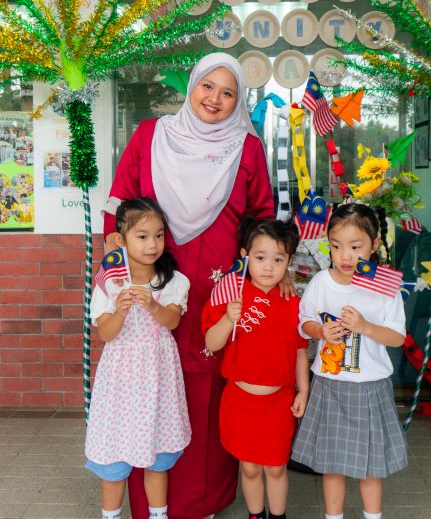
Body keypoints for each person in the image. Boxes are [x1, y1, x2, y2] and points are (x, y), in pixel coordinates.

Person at [104, 52, 275, 519]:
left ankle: (206, 501)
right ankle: (148, 503)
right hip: (150, 288)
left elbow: (261, 219)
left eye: (228, 93)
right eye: (207, 86)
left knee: (209, 389)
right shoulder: (150, 136)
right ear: (192, 86)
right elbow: (117, 207)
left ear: (238, 101)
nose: (215, 99)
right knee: (147, 388)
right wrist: (113, 272)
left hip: (218, 290)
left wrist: (259, 279)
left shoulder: (247, 148)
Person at [291, 203, 409, 519]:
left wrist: (365, 327)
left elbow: (397, 337)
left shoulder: (384, 287)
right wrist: (320, 330)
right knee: (332, 464)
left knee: (371, 465)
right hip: (330, 385)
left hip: (370, 387)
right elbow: (304, 323)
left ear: (373, 245)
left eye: (355, 247)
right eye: (336, 246)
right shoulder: (320, 282)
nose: (345, 256)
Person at [86, 197, 191, 519]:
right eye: (142, 236)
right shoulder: (109, 282)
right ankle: (111, 514)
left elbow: (173, 321)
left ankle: (158, 515)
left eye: (159, 235)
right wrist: (119, 309)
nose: (153, 244)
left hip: (157, 376)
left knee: (157, 454)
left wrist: (153, 305)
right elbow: (106, 334)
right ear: (120, 238)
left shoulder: (174, 280)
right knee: (113, 459)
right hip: (119, 379)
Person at [202, 218, 309, 519]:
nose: (268, 267)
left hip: (278, 402)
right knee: (249, 468)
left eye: (278, 259)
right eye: (260, 258)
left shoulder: (292, 301)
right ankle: (255, 514)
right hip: (240, 402)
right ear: (244, 255)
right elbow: (212, 342)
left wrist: (304, 390)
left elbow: (301, 351)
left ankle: (278, 516)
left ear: (289, 261)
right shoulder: (230, 294)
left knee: (276, 467)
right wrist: (227, 320)